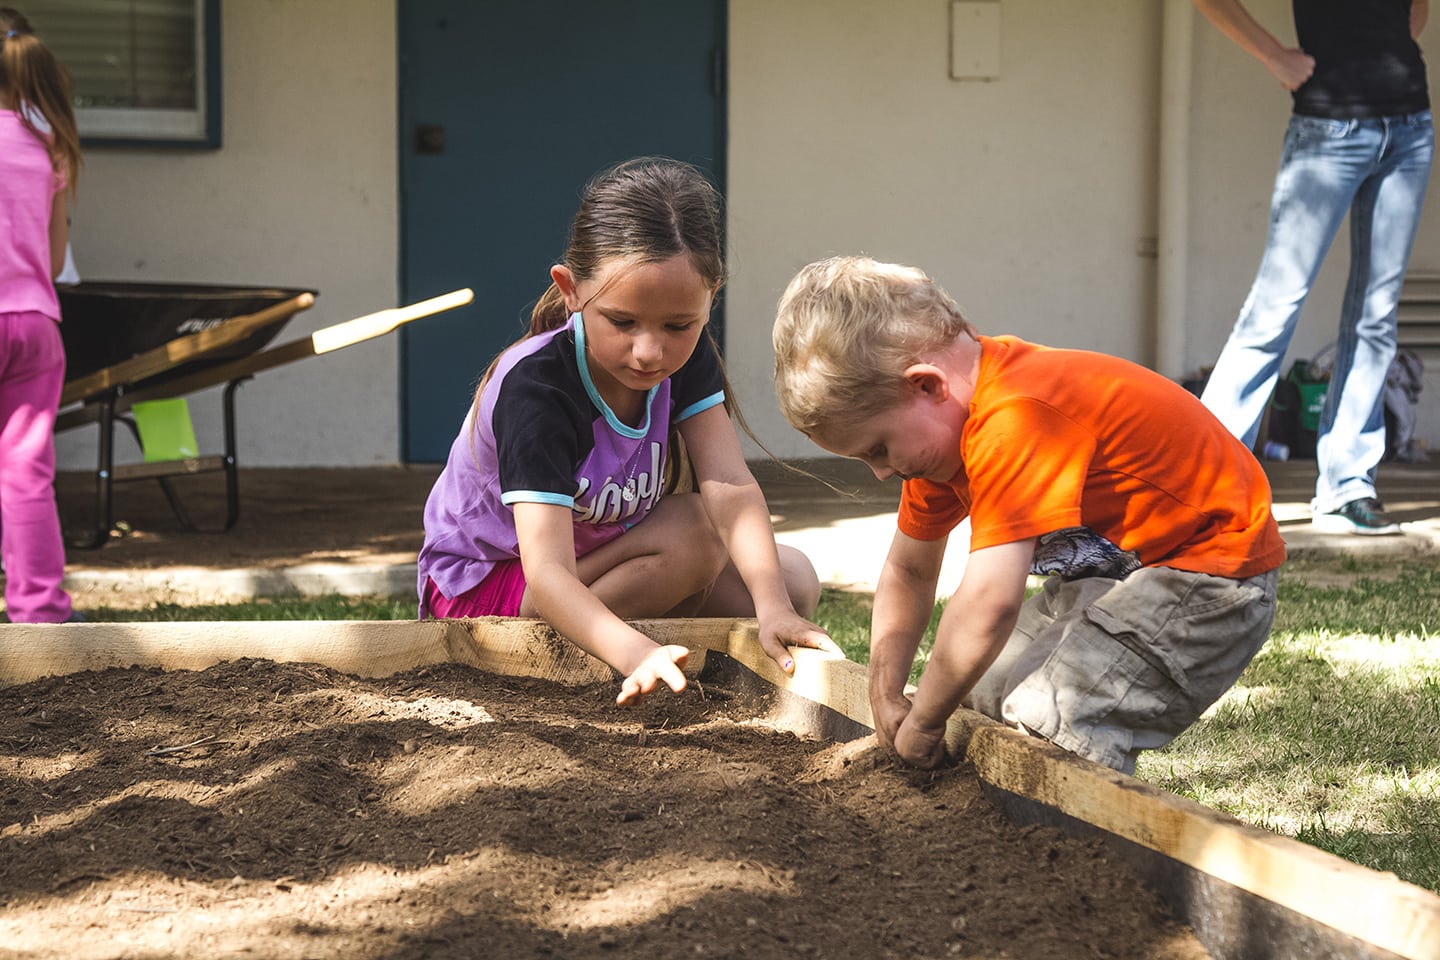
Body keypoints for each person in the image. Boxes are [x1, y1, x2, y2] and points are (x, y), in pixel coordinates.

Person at [772, 256, 1286, 774]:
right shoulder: (940, 445)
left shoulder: (1015, 417)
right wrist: (884, 691)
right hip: (1113, 578)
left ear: (926, 386)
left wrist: (924, 722)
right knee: (977, 694)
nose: (883, 472)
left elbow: (990, 602)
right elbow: (910, 570)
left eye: (879, 449)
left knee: (1052, 719)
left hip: (1207, 577)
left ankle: (1078, 825)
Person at [418, 157, 833, 705]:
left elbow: (730, 485)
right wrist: (633, 652)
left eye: (678, 325)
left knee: (791, 580)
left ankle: (630, 631)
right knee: (694, 535)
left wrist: (774, 607)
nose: (649, 352)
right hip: (491, 592)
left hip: (592, 569)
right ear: (570, 290)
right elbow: (547, 573)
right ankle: (595, 642)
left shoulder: (687, 358)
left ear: (710, 298)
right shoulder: (537, 391)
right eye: (622, 321)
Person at [1194, 0, 1433, 535]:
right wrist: (1272, 55)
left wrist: (1390, 45)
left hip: (1410, 127)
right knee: (1273, 309)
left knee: (1376, 314)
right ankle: (1206, 483)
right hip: (1329, 129)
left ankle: (1348, 485)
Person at [0, 8, 80, 624]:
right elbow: (54, 262)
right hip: (33, 323)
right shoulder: (49, 147)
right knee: (26, 474)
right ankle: (41, 615)